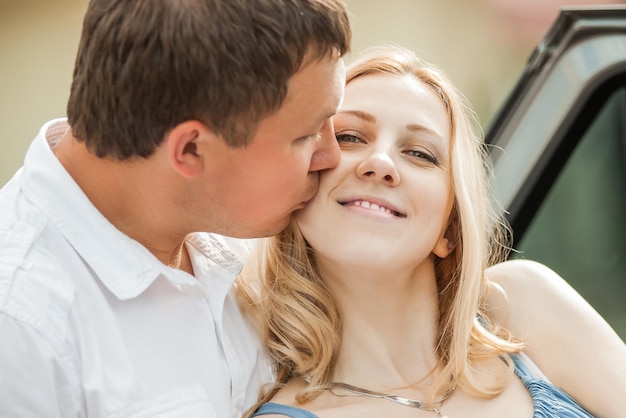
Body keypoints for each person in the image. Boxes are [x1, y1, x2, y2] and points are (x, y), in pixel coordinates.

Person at [0, 0, 351, 417]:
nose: (332, 156)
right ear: (191, 150)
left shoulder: (247, 235)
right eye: (309, 134)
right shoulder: (22, 330)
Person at [237, 45, 626, 417]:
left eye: (420, 153)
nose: (380, 162)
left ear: (450, 230)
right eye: (350, 137)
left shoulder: (523, 304)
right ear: (301, 193)